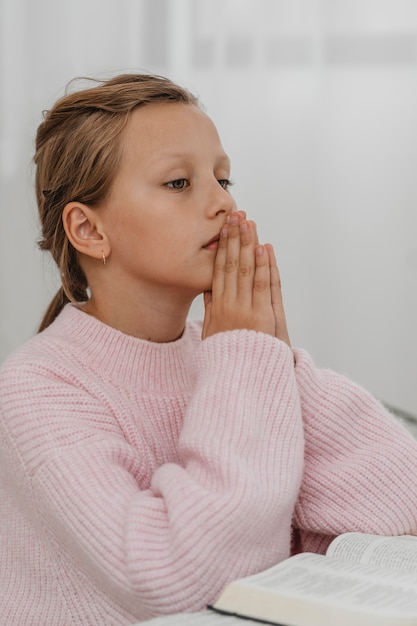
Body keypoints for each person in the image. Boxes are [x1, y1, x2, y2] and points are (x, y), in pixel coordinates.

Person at [0, 72, 416, 626]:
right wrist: (247, 360)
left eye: (224, 178)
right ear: (89, 230)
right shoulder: (36, 391)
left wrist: (274, 360)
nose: (222, 202)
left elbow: (396, 506)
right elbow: (185, 583)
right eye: (179, 183)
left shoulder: (230, 354)